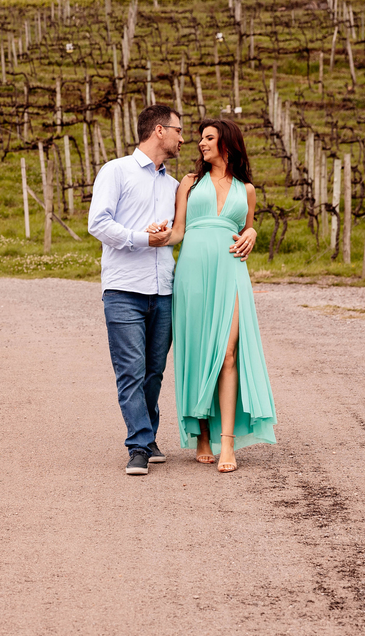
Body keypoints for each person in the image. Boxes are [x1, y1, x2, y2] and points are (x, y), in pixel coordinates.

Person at [88, 105, 255, 476]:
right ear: (160, 130)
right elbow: (98, 223)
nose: (187, 139)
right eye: (181, 132)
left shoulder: (173, 183)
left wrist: (250, 232)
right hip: (126, 287)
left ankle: (154, 437)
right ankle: (140, 444)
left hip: (167, 288)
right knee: (132, 370)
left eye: (201, 136)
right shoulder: (118, 171)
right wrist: (144, 239)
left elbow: (222, 225)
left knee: (154, 372)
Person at [148, 118, 276, 473]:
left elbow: (246, 228)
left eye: (208, 138)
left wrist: (251, 231)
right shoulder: (190, 183)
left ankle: (228, 444)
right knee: (199, 351)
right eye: (200, 138)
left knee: (228, 354)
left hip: (231, 272)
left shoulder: (246, 189)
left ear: (227, 143)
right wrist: (154, 235)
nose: (200, 144)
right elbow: (178, 232)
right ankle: (202, 434)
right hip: (192, 273)